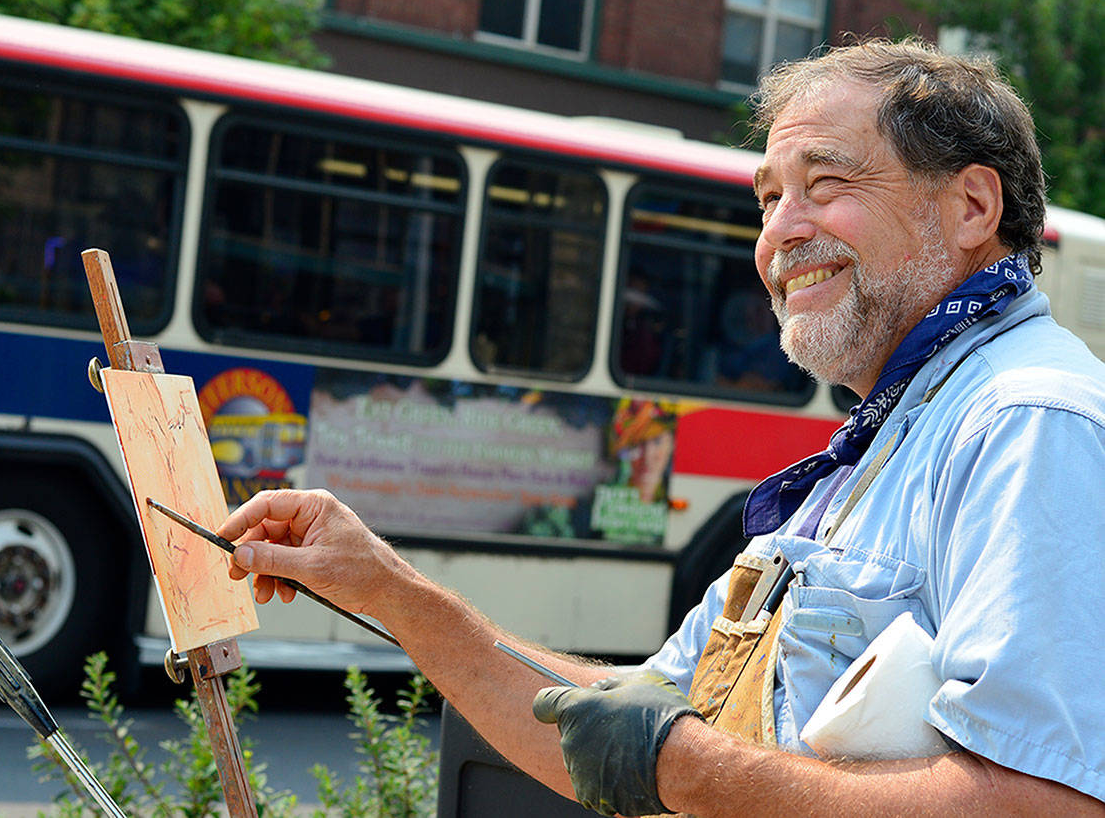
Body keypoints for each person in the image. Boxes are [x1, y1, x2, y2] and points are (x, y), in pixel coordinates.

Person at [216, 40, 1105, 815]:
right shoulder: (887, 439)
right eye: (767, 199)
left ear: (972, 209)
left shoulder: (1028, 424)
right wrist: (389, 592)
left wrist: (689, 768)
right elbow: (633, 720)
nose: (779, 234)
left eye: (825, 186)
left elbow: (1044, 803)